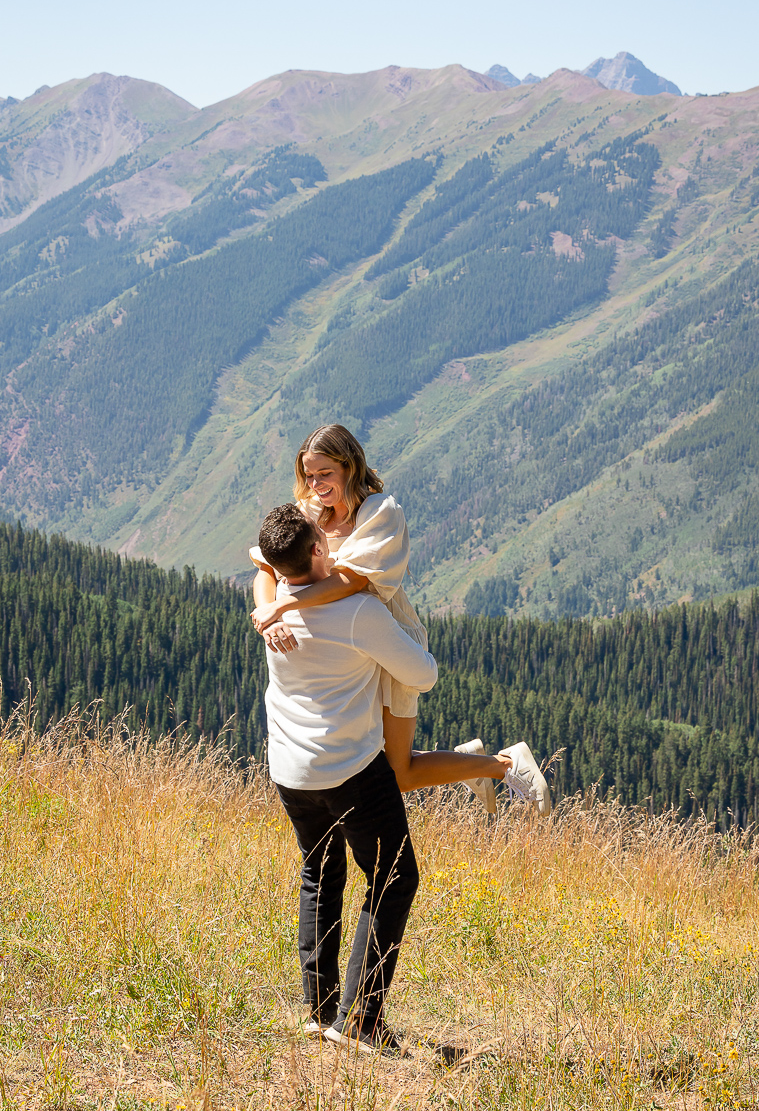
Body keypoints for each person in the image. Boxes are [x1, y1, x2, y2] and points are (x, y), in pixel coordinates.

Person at [250, 424, 549, 814]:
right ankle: (471, 766)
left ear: (349, 466)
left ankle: (504, 765)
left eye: (325, 473)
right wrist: (270, 617)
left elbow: (352, 580)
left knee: (399, 772)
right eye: (309, 474)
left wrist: (284, 607)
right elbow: (267, 566)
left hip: (385, 636)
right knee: (369, 757)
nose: (315, 483)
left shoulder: (380, 513)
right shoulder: (309, 513)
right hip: (343, 647)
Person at [257, 501, 435, 1054]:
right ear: (316, 550)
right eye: (324, 534)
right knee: (392, 878)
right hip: (350, 768)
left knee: (319, 871)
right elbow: (423, 675)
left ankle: (318, 1009)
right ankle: (360, 1021)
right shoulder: (358, 612)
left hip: (289, 767)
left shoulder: (272, 611)